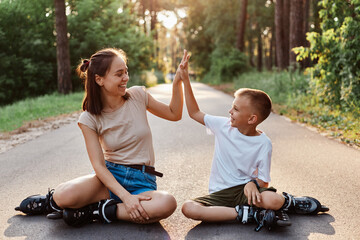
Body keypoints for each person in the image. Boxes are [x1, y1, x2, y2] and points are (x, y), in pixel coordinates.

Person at [15, 48, 189, 227]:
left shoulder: (138, 95)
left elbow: (174, 113)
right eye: (119, 74)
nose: (126, 78)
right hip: (109, 179)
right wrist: (125, 197)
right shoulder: (89, 118)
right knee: (64, 195)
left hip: (142, 181)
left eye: (126, 72)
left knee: (166, 203)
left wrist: (178, 82)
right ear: (99, 79)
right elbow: (98, 165)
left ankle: (97, 211)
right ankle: (50, 203)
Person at [178, 52, 328, 231]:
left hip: (247, 191)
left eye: (235, 109)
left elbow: (263, 180)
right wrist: (185, 80)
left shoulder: (263, 143)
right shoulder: (223, 126)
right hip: (219, 193)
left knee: (273, 199)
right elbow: (194, 112)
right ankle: (250, 214)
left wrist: (253, 183)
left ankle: (289, 202)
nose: (229, 111)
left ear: (251, 119)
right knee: (189, 208)